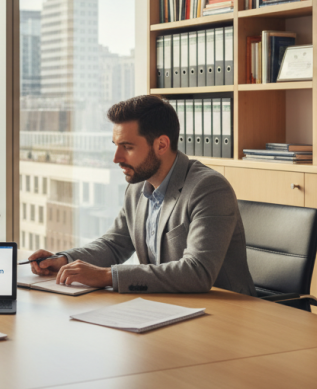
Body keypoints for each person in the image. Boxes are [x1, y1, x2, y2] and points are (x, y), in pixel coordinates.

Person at [28, 95, 255, 296]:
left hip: (225, 315)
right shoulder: (137, 188)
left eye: (127, 147)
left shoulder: (208, 188)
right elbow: (114, 245)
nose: (116, 158)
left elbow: (197, 272)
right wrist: (64, 260)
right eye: (116, 145)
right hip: (166, 306)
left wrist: (108, 276)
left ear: (162, 144)